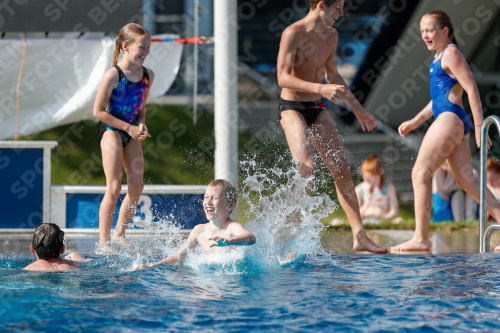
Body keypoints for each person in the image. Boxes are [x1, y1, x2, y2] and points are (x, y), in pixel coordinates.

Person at [276, 0, 387, 253]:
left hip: (318, 108)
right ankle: (291, 236)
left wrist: (357, 108)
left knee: (342, 171)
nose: (342, 13)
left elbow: (333, 75)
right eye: (338, 7)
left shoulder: (331, 35)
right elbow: (282, 77)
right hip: (292, 108)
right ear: (322, 5)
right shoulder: (293, 33)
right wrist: (320, 88)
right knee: (307, 169)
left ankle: (360, 236)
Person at [391, 10, 500, 252]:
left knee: (420, 173)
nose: (425, 35)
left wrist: (481, 125)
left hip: (451, 118)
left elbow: (471, 88)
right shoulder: (439, 56)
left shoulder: (450, 53)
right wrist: (415, 121)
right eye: (422, 31)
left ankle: (421, 238)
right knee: (467, 181)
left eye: (429, 30)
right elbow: (437, 99)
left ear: (445, 31)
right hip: (450, 117)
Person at [93, 23, 155, 247]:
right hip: (112, 131)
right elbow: (98, 111)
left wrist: (141, 124)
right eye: (142, 47)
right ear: (125, 46)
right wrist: (127, 128)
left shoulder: (148, 75)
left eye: (148, 47)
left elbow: (141, 107)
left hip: (131, 131)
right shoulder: (113, 75)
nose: (146, 52)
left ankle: (120, 233)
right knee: (114, 186)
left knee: (137, 186)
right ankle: (103, 242)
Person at [135, 180, 256, 269]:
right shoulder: (199, 231)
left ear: (230, 205)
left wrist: (229, 241)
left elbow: (251, 238)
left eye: (214, 198)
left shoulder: (231, 227)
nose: (208, 201)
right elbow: (178, 258)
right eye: (206, 197)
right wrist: (152, 265)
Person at [355, 155, 400, 223]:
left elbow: (394, 211)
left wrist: (384, 219)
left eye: (374, 176)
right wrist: (367, 204)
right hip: (365, 219)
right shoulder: (359, 189)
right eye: (368, 178)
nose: (372, 180)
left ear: (381, 173)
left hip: (382, 218)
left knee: (399, 220)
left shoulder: (388, 186)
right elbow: (355, 215)